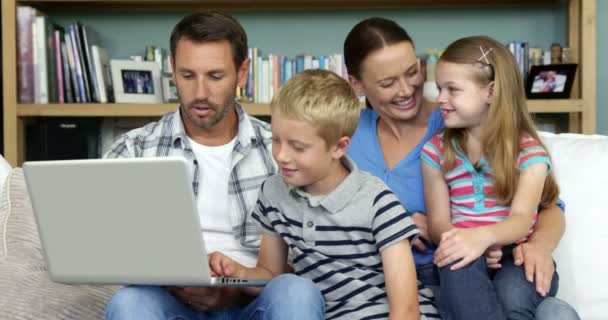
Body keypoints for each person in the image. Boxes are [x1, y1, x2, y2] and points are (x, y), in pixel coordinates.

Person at [343, 17, 579, 319]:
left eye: (413, 72)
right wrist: (390, 223)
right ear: (357, 84)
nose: (406, 90)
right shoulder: (345, 134)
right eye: (388, 83)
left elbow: (547, 207)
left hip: (473, 266)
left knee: (540, 307)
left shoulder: (461, 121)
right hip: (399, 283)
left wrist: (536, 246)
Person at [104, 12, 324, 320]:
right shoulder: (133, 149)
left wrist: (237, 285)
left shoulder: (282, 152)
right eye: (188, 76)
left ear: (243, 72)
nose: (200, 94)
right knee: (129, 302)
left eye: (215, 76)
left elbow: (313, 255)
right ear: (172, 71)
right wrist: (173, 281)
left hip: (253, 302)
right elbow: (109, 251)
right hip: (170, 303)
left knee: (298, 292)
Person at [209, 69, 439, 319]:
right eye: (276, 139)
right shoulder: (274, 193)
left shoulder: (377, 202)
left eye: (298, 147)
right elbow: (271, 276)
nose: (282, 155)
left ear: (339, 147)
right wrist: (237, 272)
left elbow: (406, 309)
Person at [421, 35, 561, 319]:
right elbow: (437, 223)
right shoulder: (435, 151)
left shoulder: (528, 153)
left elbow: (522, 220)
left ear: (491, 91)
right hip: (461, 247)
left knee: (512, 297)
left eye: (453, 89)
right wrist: (468, 242)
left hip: (517, 253)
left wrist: (483, 237)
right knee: (455, 264)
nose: (440, 99)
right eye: (439, 88)